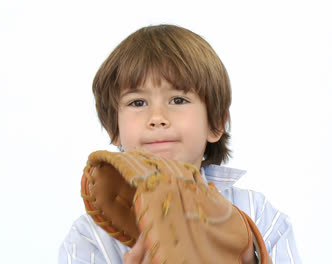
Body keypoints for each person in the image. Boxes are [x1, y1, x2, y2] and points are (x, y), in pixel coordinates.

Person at [59, 24, 301, 264]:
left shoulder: (259, 215)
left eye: (178, 99)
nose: (157, 118)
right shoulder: (89, 237)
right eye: (138, 103)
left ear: (216, 123)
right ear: (114, 129)